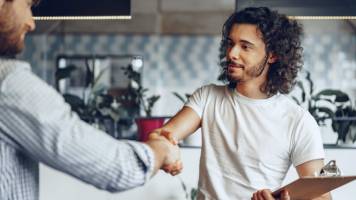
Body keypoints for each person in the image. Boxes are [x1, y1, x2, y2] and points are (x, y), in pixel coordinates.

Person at [0, 0, 182, 199]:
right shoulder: (7, 83)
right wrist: (161, 149)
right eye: (26, 4)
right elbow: (119, 169)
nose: (31, 22)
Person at [152, 7, 331, 200]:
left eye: (245, 46)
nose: (232, 54)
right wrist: (165, 149)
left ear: (272, 55)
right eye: (230, 44)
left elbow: (321, 196)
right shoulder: (207, 97)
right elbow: (164, 135)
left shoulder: (298, 121)